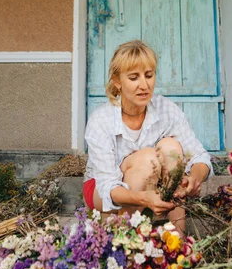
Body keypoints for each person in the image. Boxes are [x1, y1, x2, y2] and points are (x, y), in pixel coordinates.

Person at [83, 40, 213, 233]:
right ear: (117, 81)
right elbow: (108, 187)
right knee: (147, 158)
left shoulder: (166, 109)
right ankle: (123, 243)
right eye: (134, 77)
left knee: (171, 147)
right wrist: (145, 198)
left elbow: (199, 157)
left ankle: (178, 241)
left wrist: (194, 178)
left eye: (149, 75)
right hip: (103, 193)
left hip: (152, 190)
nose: (144, 85)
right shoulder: (101, 120)